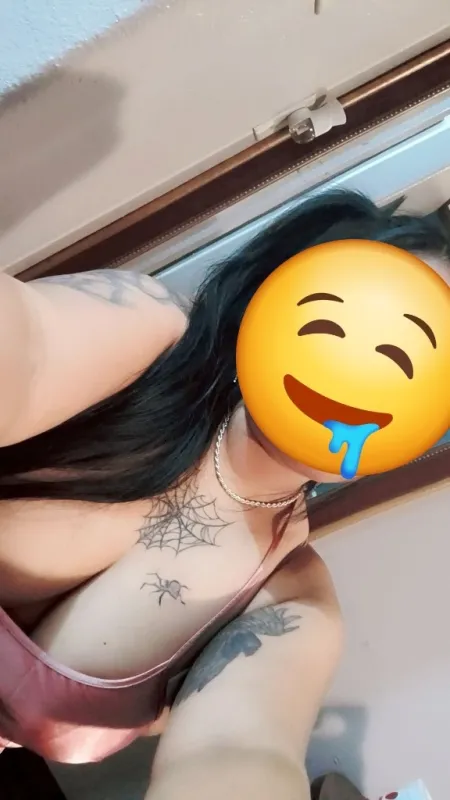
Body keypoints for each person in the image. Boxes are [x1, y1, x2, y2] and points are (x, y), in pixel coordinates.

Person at [0, 191, 448, 797]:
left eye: (410, 361)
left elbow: (239, 752)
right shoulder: (146, 335)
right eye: (337, 323)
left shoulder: (289, 601)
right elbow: (24, 347)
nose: (366, 373)